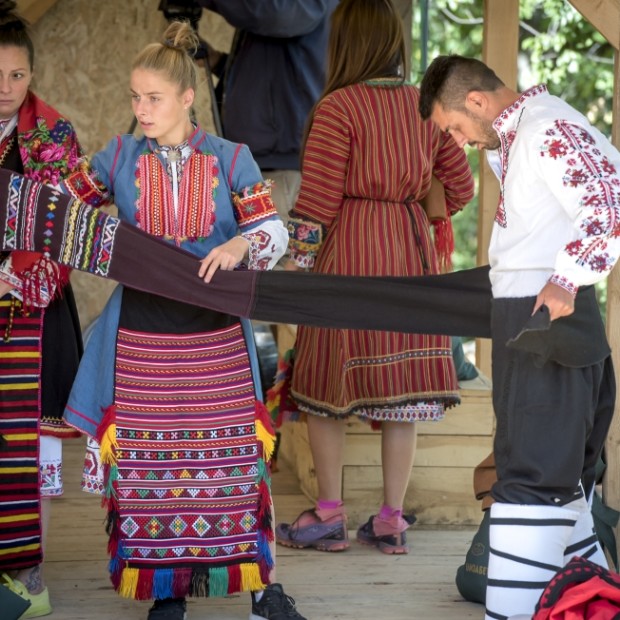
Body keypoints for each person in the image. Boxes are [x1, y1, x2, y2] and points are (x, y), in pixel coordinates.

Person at [60, 20, 305, 620]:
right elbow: (63, 211)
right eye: (134, 97)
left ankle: (261, 591)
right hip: (142, 340)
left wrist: (240, 247)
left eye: (153, 98)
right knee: (149, 468)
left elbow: (271, 228)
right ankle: (164, 592)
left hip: (216, 338)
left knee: (237, 463)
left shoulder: (231, 159)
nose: (140, 109)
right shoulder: (116, 156)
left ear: (187, 98)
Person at [418, 54, 619, 619]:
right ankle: (594, 600)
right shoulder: (522, 136)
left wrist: (566, 279)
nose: (456, 142)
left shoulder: (545, 127)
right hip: (530, 319)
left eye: (454, 127)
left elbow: (609, 202)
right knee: (543, 472)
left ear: (477, 102)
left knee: (533, 476)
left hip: (548, 323)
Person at [275, 0, 474, 556]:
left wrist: (298, 269)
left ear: (344, 45)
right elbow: (460, 187)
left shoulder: (338, 108)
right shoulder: (425, 106)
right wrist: (416, 203)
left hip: (349, 259)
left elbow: (314, 205)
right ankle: (390, 521)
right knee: (401, 395)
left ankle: (329, 516)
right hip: (410, 259)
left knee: (324, 386)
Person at [0, 3, 83, 618]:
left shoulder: (52, 133)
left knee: (34, 446)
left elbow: (66, 226)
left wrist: (17, 276)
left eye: (18, 76)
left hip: (35, 308)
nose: (6, 89)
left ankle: (28, 578)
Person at [196, 0, 338, 221]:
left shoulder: (287, 9)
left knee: (276, 255)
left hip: (283, 172)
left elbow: (273, 14)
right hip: (263, 168)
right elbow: (270, 74)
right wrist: (216, 61)